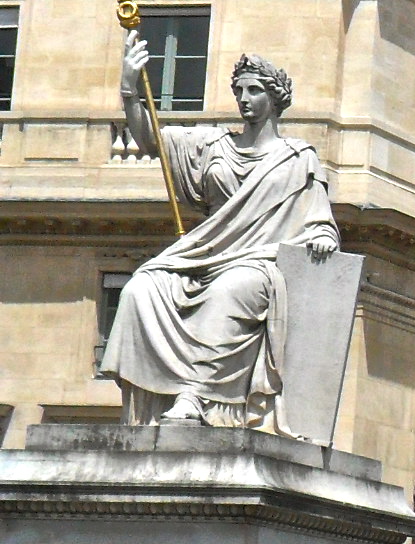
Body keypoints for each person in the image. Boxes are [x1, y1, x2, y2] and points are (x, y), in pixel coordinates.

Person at [102, 41, 339, 430]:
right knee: (141, 287)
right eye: (239, 91)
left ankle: (195, 396)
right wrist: (130, 89)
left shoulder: (298, 158)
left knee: (231, 289)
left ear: (275, 97)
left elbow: (319, 220)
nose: (244, 99)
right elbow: (150, 139)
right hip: (203, 256)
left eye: (254, 90)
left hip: (259, 263)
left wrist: (323, 236)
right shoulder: (212, 145)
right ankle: (144, 412)